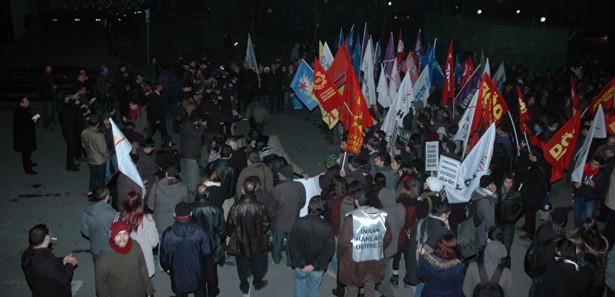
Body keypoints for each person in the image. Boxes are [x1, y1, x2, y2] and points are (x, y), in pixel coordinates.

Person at [338, 188, 392, 297]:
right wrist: (376, 247)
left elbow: (343, 242)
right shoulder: (381, 216)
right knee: (370, 288)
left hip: (355, 262)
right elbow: (388, 238)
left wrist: (340, 255)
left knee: (352, 289)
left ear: (356, 202)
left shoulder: (351, 218)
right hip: (375, 260)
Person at [226, 177, 271, 296]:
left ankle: (244, 286)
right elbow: (266, 225)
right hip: (257, 241)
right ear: (255, 190)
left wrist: (233, 235)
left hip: (240, 242)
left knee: (241, 266)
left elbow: (229, 227)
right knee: (257, 264)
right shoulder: (260, 206)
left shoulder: (235, 207)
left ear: (242, 191)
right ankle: (257, 283)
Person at [160, 202, 214, 297]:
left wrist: (166, 267)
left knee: (180, 293)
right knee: (200, 292)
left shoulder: (168, 233)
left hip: (178, 274)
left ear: (174, 214)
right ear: (191, 214)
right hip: (197, 271)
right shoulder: (199, 230)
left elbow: (164, 255)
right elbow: (208, 250)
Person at [288, 196, 336, 297]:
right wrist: (314, 265)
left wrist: (302, 264)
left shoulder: (298, 222)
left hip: (300, 265)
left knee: (299, 284)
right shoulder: (327, 226)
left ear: (309, 206)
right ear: (323, 209)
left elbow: (292, 244)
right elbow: (330, 249)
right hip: (318, 267)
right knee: (313, 287)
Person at [95, 221, 154, 297]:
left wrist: (149, 291)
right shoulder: (104, 258)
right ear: (113, 236)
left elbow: (143, 270)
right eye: (119, 234)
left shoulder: (135, 247)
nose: (122, 238)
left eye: (125, 234)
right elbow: (101, 286)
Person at [22, 224, 78, 297]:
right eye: (49, 233)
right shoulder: (47, 262)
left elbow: (49, 268)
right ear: (46, 238)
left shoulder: (28, 254)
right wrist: (69, 264)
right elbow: (64, 279)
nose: (51, 235)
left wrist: (62, 260)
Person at [192, 185, 226, 297]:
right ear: (207, 194)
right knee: (211, 269)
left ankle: (200, 291)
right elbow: (221, 230)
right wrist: (220, 239)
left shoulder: (191, 207)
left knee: (198, 268)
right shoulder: (216, 208)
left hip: (196, 244)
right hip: (212, 243)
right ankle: (213, 291)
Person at [117, 191, 159, 278]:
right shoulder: (148, 219)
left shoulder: (118, 218)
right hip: (143, 258)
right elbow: (154, 242)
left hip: (125, 257)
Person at [270, 164, 306, 265]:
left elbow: (272, 206)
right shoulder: (300, 186)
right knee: (291, 243)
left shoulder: (277, 189)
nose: (278, 174)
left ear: (283, 176)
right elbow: (303, 202)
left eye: (280, 173)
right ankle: (290, 260)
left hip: (279, 222)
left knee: (277, 243)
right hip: (294, 220)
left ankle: (276, 259)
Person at [146, 166, 189, 235]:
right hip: (176, 221)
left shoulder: (156, 186)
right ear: (176, 175)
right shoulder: (183, 187)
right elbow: (186, 205)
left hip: (160, 221)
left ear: (166, 174)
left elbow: (150, 204)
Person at [81, 187, 117, 262]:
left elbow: (84, 231)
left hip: (95, 248)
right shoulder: (112, 212)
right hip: (110, 250)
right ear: (107, 197)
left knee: (99, 271)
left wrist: (94, 236)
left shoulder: (87, 210)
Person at [572, 156, 607, 228]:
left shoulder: (602, 174)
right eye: (592, 163)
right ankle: (577, 228)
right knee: (577, 214)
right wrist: (575, 183)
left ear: (600, 166)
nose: (593, 165)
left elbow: (601, 191)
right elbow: (574, 177)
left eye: (596, 164)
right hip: (579, 195)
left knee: (588, 218)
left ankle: (585, 233)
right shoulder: (583, 167)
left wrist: (594, 186)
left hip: (591, 199)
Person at [497, 172, 524, 267]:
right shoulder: (498, 192)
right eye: (506, 182)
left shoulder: (516, 194)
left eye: (510, 182)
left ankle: (505, 266)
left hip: (509, 224)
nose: (508, 185)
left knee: (506, 247)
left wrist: (514, 217)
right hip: (499, 222)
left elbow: (521, 208)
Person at [205, 144, 237, 217]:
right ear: (230, 155)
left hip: (212, 194)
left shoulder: (211, 164)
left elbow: (206, 178)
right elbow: (233, 183)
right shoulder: (232, 168)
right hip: (227, 197)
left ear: (220, 154)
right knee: (226, 217)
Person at [81, 116, 110, 194]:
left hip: (90, 158)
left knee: (93, 177)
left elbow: (83, 144)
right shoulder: (99, 135)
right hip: (99, 160)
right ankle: (100, 195)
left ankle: (91, 193)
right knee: (101, 178)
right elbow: (103, 149)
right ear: (97, 124)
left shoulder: (84, 131)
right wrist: (107, 154)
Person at [473, 175, 498, 251]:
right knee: (483, 247)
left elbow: (494, 202)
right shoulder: (485, 202)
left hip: (480, 226)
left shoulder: (480, 192)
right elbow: (489, 219)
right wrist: (491, 233)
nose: (494, 186)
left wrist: (494, 194)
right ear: (488, 186)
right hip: (483, 229)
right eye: (492, 184)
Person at [13, 96, 38, 175]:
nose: (28, 102)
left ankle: (29, 163)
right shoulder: (21, 112)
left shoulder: (22, 110)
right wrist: (34, 121)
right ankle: (28, 169)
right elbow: (26, 124)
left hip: (25, 136)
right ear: (21, 103)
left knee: (28, 152)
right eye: (26, 101)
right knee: (26, 153)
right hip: (23, 137)